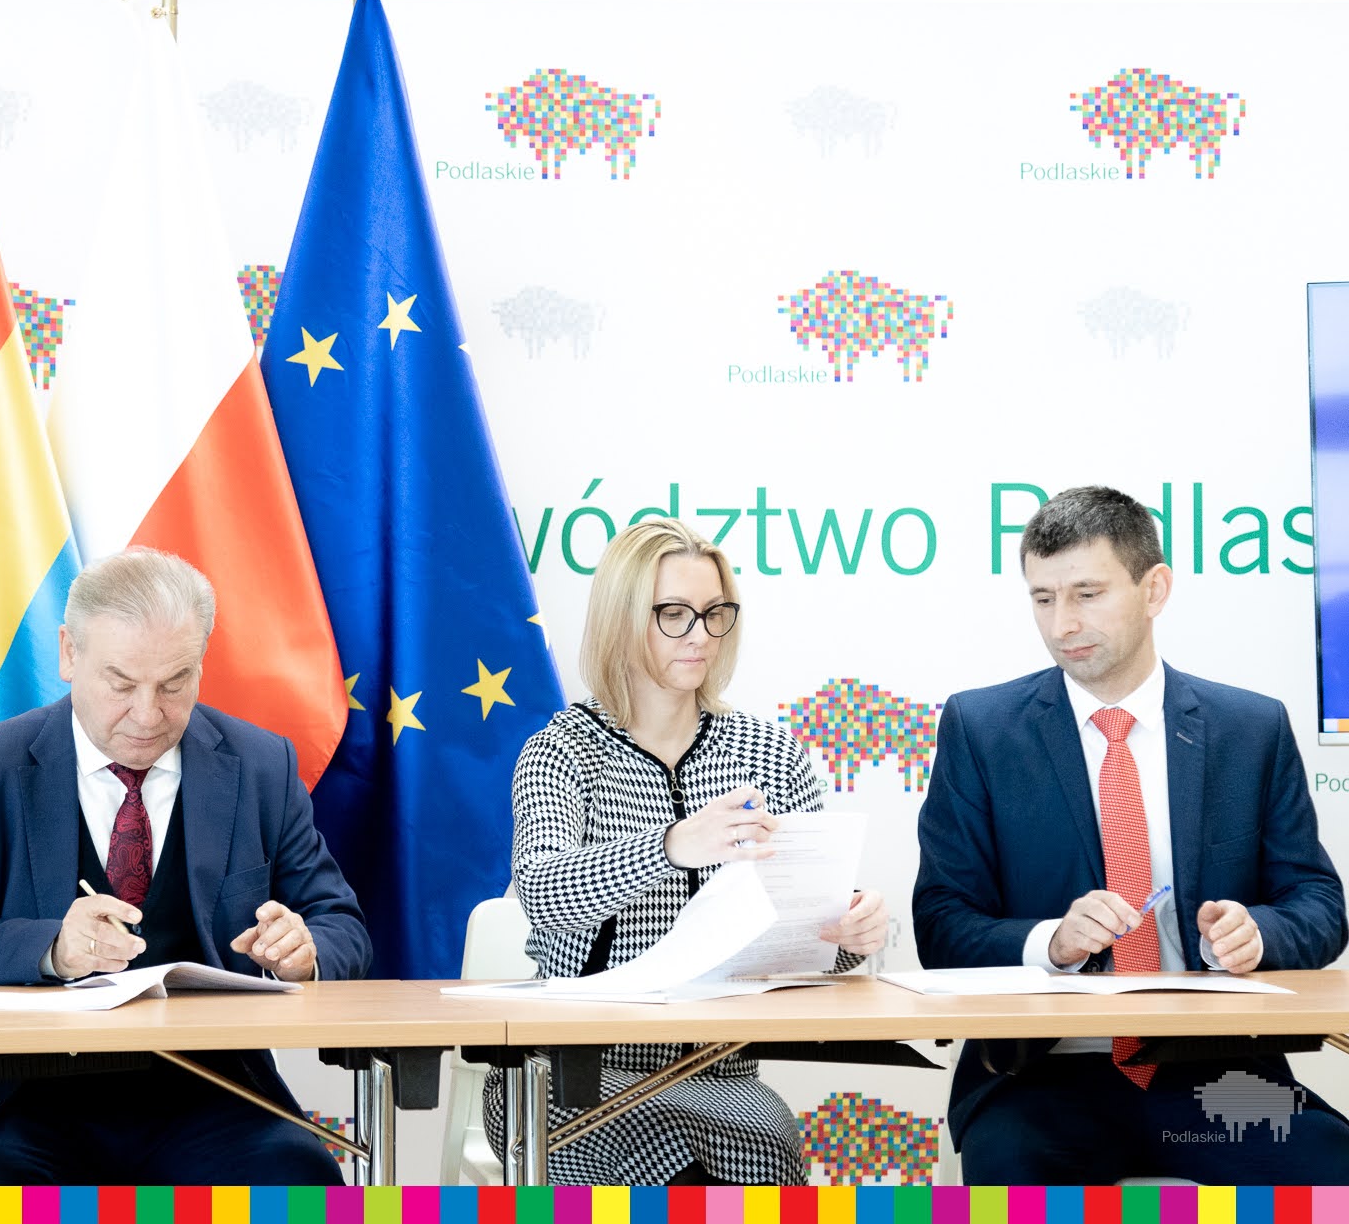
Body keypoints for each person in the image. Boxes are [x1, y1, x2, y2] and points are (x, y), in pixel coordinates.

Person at [0, 548, 369, 1186]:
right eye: (121, 684)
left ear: (201, 663)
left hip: (214, 1092)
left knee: (298, 1181)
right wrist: (52, 948)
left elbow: (341, 925)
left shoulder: (261, 765)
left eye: (174, 684)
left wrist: (303, 953)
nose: (148, 715)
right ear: (68, 654)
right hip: (16, 1097)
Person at [914, 485, 1349, 1184]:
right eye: (1043, 598)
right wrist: (1050, 942)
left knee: (1330, 1171)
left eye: (1087, 594)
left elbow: (1318, 905)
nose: (1063, 623)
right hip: (1040, 1078)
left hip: (1218, 1073)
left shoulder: (1250, 728)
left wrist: (1258, 933)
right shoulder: (981, 729)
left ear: (1155, 589)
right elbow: (941, 923)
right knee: (1013, 1185)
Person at [491, 518, 887, 1185]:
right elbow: (543, 891)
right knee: (664, 1163)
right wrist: (672, 845)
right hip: (575, 1070)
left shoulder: (770, 753)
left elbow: (809, 935)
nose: (700, 634)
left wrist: (850, 933)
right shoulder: (562, 750)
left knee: (764, 1148)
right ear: (622, 619)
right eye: (673, 614)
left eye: (714, 613)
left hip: (722, 1076)